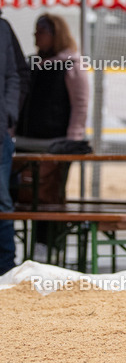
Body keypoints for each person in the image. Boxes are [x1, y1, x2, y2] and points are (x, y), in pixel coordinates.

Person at [17, 14, 88, 142]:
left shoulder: (71, 65)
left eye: (41, 32)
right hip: (25, 137)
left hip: (54, 140)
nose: (36, 35)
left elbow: (80, 105)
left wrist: (73, 138)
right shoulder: (32, 64)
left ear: (56, 35)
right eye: (36, 31)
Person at [0, 20, 20, 275]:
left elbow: (16, 74)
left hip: (0, 134)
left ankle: (5, 268)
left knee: (2, 200)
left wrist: (8, 115)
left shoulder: (3, 27)